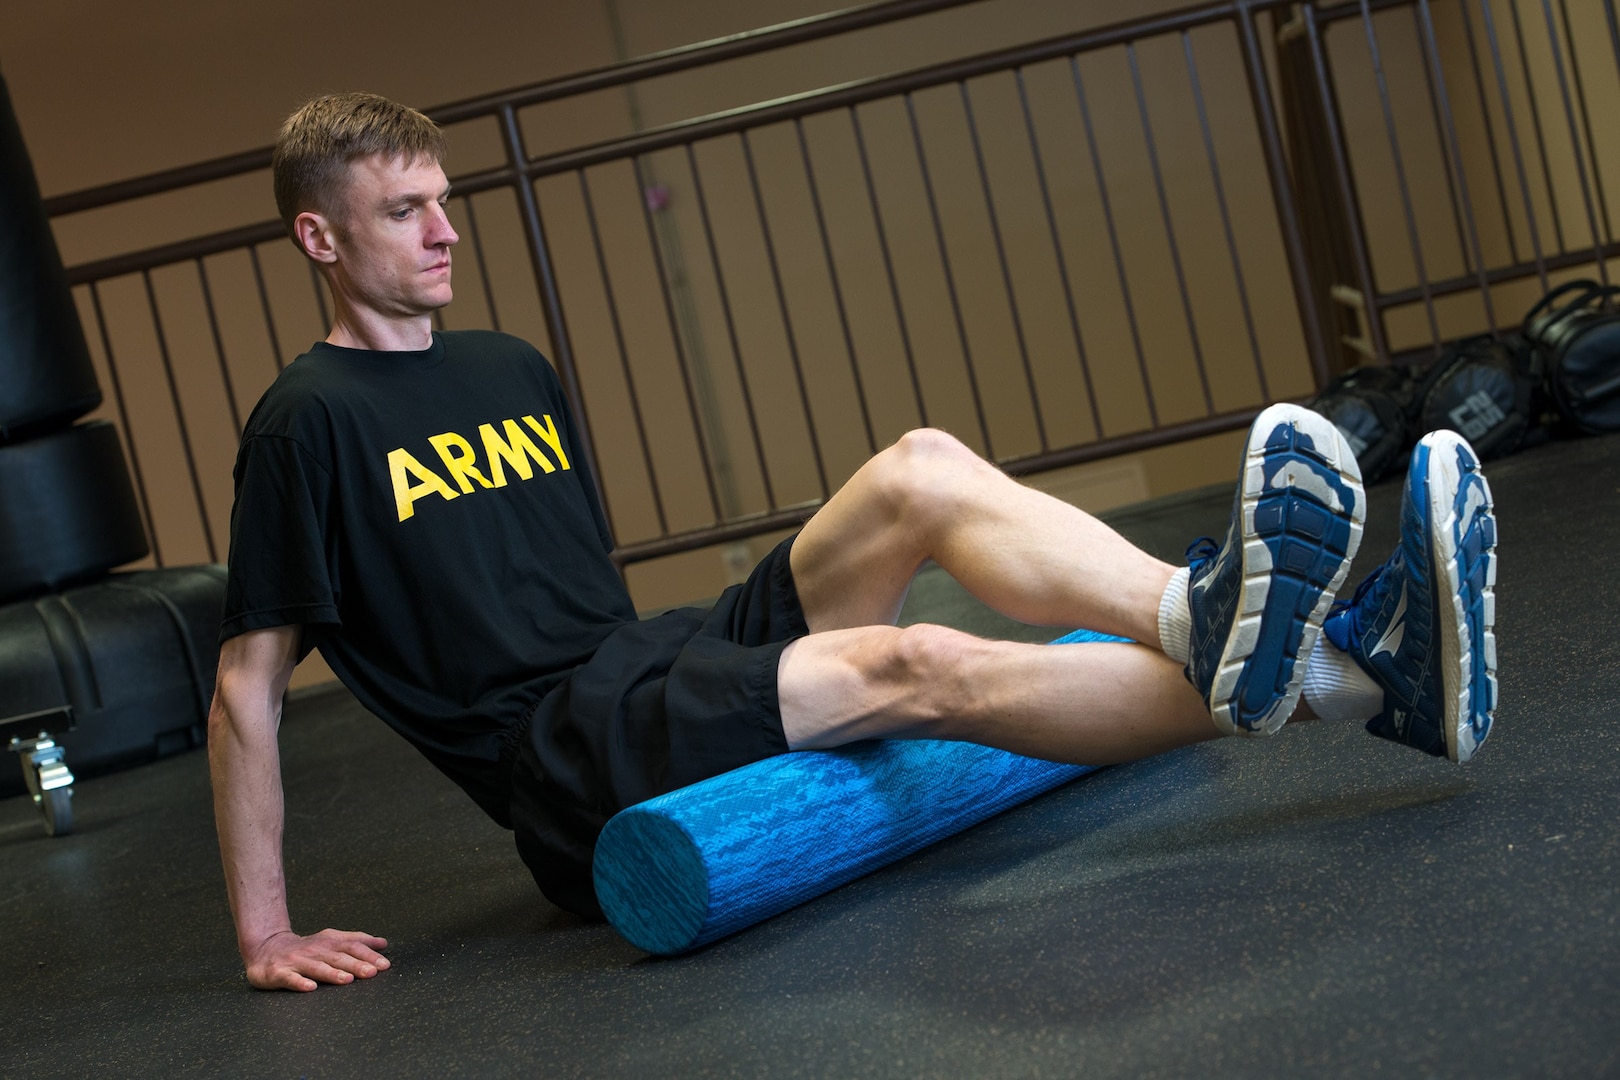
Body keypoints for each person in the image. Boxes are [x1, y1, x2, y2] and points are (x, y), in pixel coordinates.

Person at [209, 92, 1499, 992]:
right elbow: (246, 690)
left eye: (445, 201)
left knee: (920, 469)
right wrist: (265, 932)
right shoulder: (302, 428)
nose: (444, 232)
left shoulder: (507, 365)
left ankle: (1198, 612)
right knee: (909, 662)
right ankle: (1355, 681)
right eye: (403, 212)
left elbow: (565, 593)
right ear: (320, 237)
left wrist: (698, 662)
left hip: (649, 665)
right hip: (566, 753)